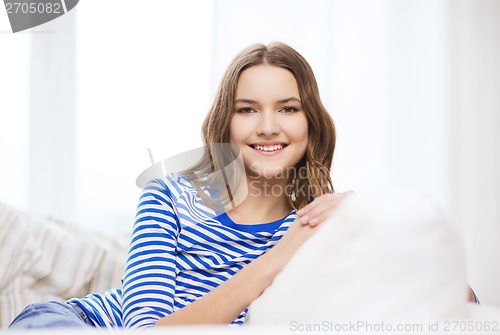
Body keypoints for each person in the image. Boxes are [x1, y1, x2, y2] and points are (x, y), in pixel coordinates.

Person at [8, 42, 478, 329]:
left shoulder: (320, 225)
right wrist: (280, 254)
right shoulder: (170, 197)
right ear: (225, 123)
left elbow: (460, 301)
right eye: (248, 109)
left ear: (311, 124)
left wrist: (379, 223)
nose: (268, 126)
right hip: (74, 323)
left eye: (289, 109)